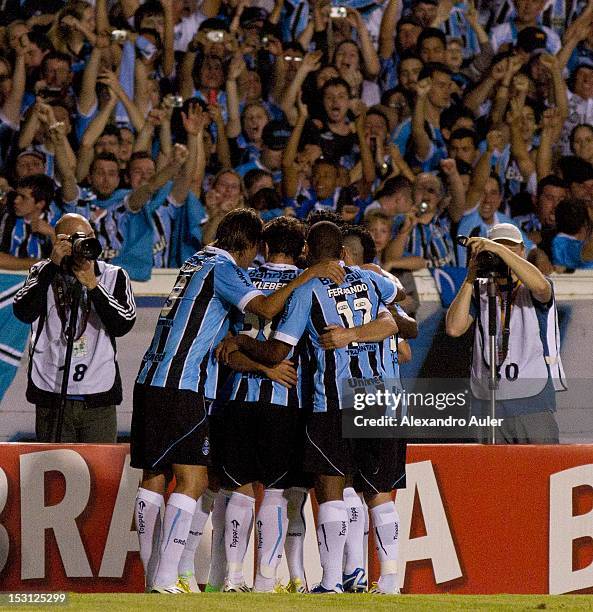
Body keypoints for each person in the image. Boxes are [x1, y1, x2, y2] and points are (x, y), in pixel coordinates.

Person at [130, 208, 344, 594]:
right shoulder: (244, 274)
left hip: (175, 384)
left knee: (165, 479)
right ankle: (260, 581)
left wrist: (252, 362)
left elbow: (225, 346)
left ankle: (185, 579)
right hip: (234, 392)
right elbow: (273, 332)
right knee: (225, 484)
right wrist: (312, 273)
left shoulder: (201, 263)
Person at [218, 221, 404, 593]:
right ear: (342, 252)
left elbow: (278, 349)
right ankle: (389, 582)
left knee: (331, 490)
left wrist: (239, 342)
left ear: (308, 252)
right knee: (379, 493)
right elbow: (397, 309)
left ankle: (332, 581)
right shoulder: (370, 280)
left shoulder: (307, 291)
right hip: (383, 397)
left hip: (333, 399)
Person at [12, 213, 136, 442]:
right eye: (73, 239)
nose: (82, 244)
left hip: (98, 398)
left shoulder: (114, 275)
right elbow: (23, 311)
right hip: (51, 394)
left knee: (100, 475)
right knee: (52, 470)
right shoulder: (42, 271)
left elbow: (123, 323)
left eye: (88, 237)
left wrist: (94, 286)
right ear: (58, 241)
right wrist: (52, 267)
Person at [446, 223, 566, 444]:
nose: (503, 256)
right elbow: (454, 328)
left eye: (511, 249)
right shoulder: (478, 290)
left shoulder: (533, 286)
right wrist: (471, 276)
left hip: (531, 399)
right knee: (491, 476)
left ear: (522, 252)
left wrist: (497, 249)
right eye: (498, 250)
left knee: (539, 474)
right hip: (487, 401)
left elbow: (541, 288)